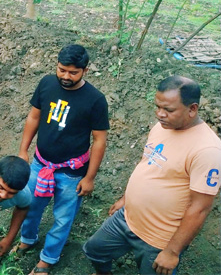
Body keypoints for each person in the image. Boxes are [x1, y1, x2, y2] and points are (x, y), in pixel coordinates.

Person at [83, 76, 221, 275]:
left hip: (158, 240)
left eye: (168, 110)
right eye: (157, 107)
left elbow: (200, 208)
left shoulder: (208, 150)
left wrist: (172, 251)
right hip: (127, 218)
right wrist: (126, 198)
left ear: (192, 109)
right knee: (94, 250)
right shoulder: (162, 127)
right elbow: (148, 164)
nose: (160, 114)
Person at [16, 44, 109, 275]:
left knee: (62, 218)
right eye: (62, 70)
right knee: (30, 206)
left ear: (85, 71)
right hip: (40, 163)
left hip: (71, 172)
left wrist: (90, 177)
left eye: (73, 72)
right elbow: (34, 117)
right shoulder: (47, 83)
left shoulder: (95, 100)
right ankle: (28, 239)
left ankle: (47, 259)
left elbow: (99, 140)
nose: (66, 76)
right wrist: (23, 150)